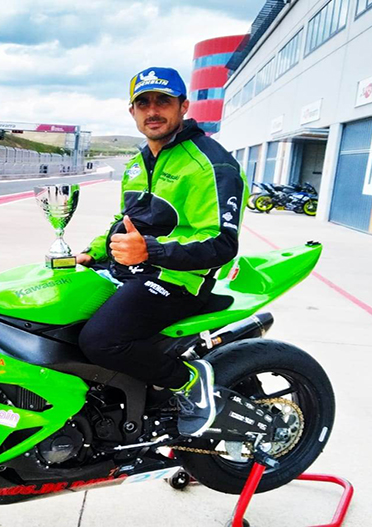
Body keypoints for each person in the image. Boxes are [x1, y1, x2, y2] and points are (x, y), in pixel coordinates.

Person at [75, 67, 247, 437]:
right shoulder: (139, 162)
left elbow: (222, 244)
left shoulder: (210, 163)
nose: (153, 110)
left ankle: (189, 380)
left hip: (179, 280)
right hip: (132, 270)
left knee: (100, 341)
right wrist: (92, 251)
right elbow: (129, 221)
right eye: (144, 103)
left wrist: (149, 251)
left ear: (183, 106)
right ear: (132, 112)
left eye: (163, 101)